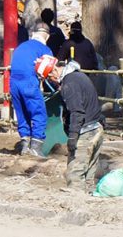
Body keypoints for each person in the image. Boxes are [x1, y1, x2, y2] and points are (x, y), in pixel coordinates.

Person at [49, 59, 104, 190]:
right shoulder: (80, 76)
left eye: (50, 77)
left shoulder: (69, 84)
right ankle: (90, 200)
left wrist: (73, 136)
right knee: (89, 175)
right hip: (97, 127)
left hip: (86, 132)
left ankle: (76, 203)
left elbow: (77, 111)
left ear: (55, 70)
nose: (51, 81)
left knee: (75, 174)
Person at [8, 18, 55, 156]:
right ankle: (36, 147)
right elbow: (48, 71)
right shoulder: (44, 49)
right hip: (28, 82)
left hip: (14, 83)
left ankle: (24, 145)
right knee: (38, 113)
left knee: (22, 113)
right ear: (47, 36)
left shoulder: (21, 47)